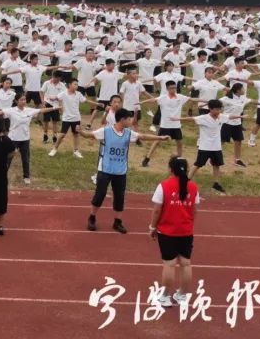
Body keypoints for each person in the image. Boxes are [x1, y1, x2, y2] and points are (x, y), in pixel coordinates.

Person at [79, 109, 167, 233]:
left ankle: (117, 222)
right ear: (122, 119)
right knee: (100, 195)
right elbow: (90, 135)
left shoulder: (128, 133)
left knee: (119, 197)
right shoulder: (106, 131)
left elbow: (143, 136)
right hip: (105, 169)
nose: (131, 121)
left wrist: (160, 138)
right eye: (129, 119)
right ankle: (92, 217)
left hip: (120, 171)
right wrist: (80, 131)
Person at [148, 157, 199, 308]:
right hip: (186, 232)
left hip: (168, 231)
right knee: (185, 263)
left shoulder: (163, 186)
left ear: (171, 169)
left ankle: (165, 297)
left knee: (169, 265)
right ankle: (182, 295)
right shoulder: (193, 187)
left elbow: (157, 210)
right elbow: (194, 210)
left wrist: (152, 227)